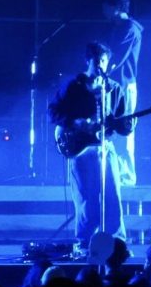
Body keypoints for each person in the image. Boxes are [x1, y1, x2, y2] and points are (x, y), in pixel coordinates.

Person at [48, 42, 131, 256]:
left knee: (112, 195)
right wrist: (76, 123)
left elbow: (123, 123)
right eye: (97, 60)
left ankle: (117, 244)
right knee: (87, 198)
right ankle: (85, 243)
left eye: (104, 60)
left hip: (105, 147)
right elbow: (53, 112)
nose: (101, 64)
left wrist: (127, 124)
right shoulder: (73, 87)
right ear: (88, 61)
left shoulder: (113, 88)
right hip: (81, 149)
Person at [102, 0, 143, 186]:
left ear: (116, 7)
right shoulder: (118, 28)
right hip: (115, 87)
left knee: (124, 132)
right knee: (112, 130)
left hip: (125, 87)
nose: (103, 11)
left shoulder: (130, 28)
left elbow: (116, 58)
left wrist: (102, 71)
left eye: (106, 6)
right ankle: (116, 175)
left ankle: (127, 178)